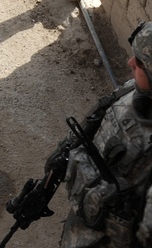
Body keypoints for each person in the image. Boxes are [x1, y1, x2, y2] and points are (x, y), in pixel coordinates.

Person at [43, 20, 152, 247]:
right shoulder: (132, 90)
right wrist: (63, 153)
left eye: (140, 62)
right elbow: (93, 121)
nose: (130, 62)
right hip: (86, 219)